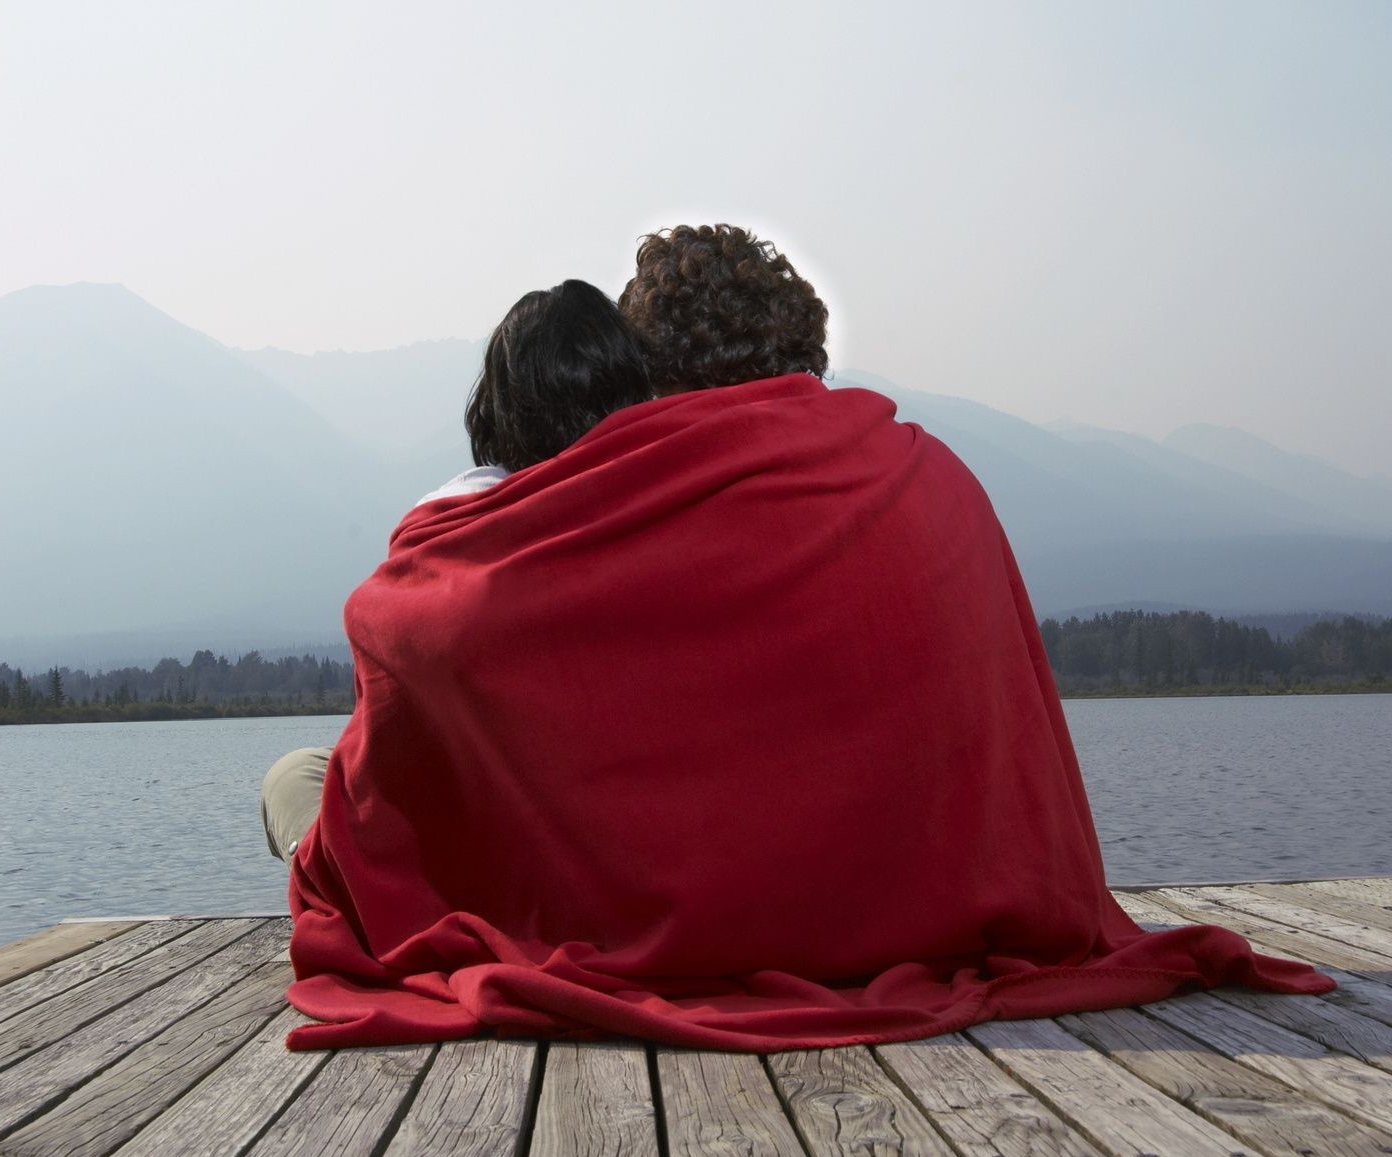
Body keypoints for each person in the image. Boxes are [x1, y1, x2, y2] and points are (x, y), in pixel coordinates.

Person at [276, 224, 1333, 1053]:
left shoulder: (623, 512)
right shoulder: (928, 473)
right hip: (942, 919)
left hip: (687, 918)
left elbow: (404, 620)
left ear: (655, 376)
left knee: (315, 786)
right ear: (808, 352)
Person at [260, 279, 653, 866]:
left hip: (483, 849)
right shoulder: (662, 508)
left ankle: (328, 881)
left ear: (497, 406)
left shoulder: (440, 536)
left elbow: (385, 740)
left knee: (294, 774)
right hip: (617, 832)